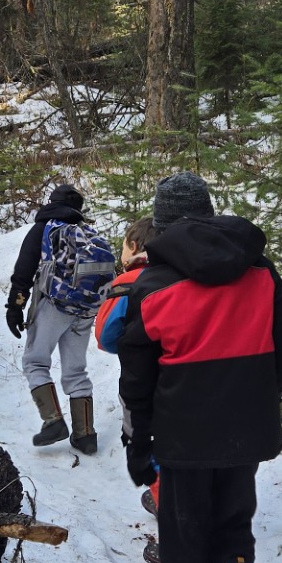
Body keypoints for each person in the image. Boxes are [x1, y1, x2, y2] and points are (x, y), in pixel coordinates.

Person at [117, 171, 282, 563]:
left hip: (182, 440)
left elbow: (136, 383)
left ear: (160, 224)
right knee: (233, 524)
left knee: (184, 538)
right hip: (245, 433)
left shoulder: (152, 286)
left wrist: (138, 444)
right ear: (208, 212)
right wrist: (258, 393)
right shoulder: (259, 271)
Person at [6, 184, 116, 452]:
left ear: (52, 202)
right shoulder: (86, 233)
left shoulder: (44, 228)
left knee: (34, 361)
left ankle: (53, 421)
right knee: (76, 370)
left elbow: (24, 268)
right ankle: (85, 435)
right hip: (84, 309)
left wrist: (15, 306)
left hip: (53, 305)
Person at [93, 218, 159, 516]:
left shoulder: (128, 282)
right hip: (197, 376)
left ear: (133, 246)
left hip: (144, 379)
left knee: (150, 441)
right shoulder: (189, 273)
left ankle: (167, 505)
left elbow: (105, 336)